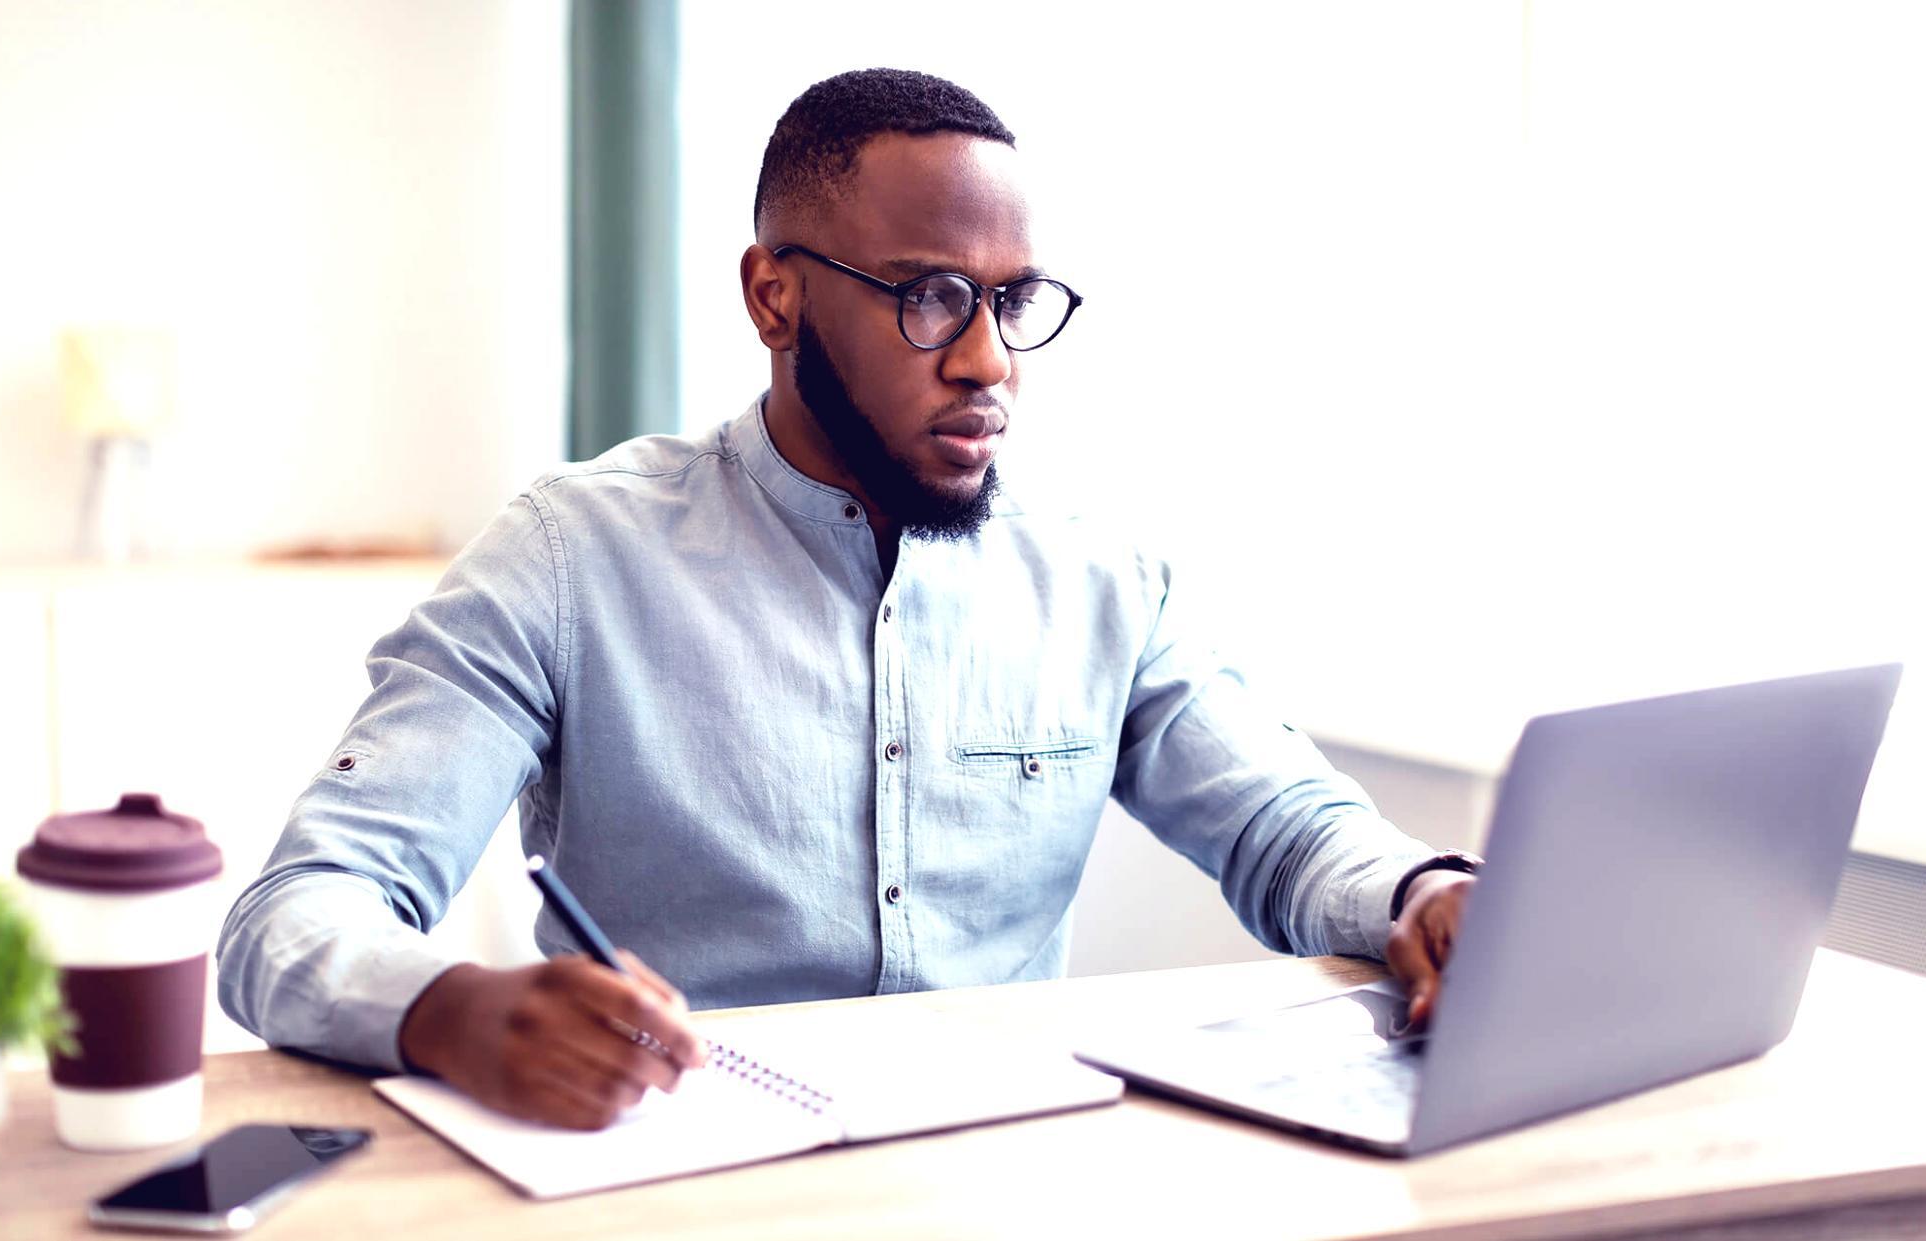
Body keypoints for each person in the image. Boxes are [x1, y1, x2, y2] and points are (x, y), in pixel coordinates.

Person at [217, 68, 1479, 1132]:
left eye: (1011, 302)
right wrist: (448, 1008)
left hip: (1008, 1169)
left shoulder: (1101, 581)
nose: (986, 359)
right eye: (928, 295)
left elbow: (1288, 826)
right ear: (775, 294)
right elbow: (297, 911)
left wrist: (1423, 892)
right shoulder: (566, 558)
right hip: (679, 1176)